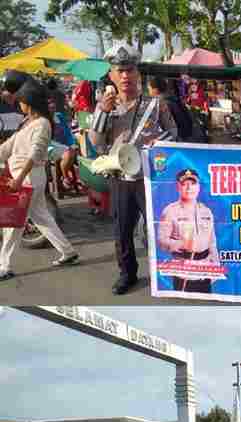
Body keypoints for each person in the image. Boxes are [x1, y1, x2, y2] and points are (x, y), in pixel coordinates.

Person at [89, 44, 177, 295]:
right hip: (120, 177)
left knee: (157, 227)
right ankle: (127, 274)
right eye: (120, 71)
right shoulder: (104, 107)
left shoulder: (155, 104)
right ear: (112, 76)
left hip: (150, 177)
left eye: (130, 70)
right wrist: (103, 112)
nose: (126, 75)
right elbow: (96, 144)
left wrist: (158, 145)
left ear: (137, 73)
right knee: (122, 230)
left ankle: (163, 272)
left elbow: (173, 134)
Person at [0, 80, 80, 281]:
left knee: (13, 225)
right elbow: (8, 147)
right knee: (42, 218)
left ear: (29, 102)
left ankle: (4, 266)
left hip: (28, 178)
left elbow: (35, 153)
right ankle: (68, 252)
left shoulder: (42, 123)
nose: (19, 104)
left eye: (21, 101)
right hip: (26, 178)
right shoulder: (26, 122)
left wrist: (18, 179)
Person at [158, 168, 220, 293]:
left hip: (205, 269)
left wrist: (216, 264)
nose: (189, 188)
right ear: (178, 187)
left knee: (205, 307)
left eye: (193, 184)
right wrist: (179, 244)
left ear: (198, 187)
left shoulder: (206, 211)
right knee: (185, 307)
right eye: (184, 184)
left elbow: (212, 241)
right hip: (183, 270)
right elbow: (161, 240)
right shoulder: (170, 211)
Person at [48, 95, 80, 190]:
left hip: (64, 146)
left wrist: (72, 143)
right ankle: (65, 177)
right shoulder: (43, 120)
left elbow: (68, 132)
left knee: (75, 150)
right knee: (69, 153)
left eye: (52, 103)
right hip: (50, 147)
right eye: (49, 105)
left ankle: (66, 175)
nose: (51, 106)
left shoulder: (59, 116)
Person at [147, 76, 193, 142]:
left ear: (155, 89)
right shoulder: (174, 100)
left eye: (149, 89)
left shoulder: (161, 104)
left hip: (174, 140)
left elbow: (166, 126)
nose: (149, 92)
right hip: (184, 137)